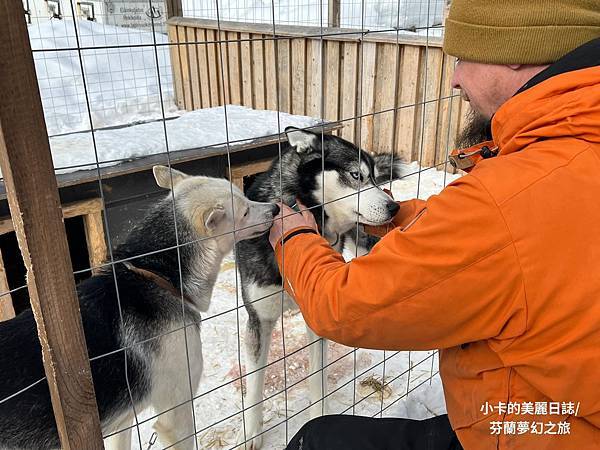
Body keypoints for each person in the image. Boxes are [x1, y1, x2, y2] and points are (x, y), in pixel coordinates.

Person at [268, 1, 600, 449]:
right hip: (566, 411)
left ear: (517, 47)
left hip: (539, 431)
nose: (454, 79)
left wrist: (295, 240)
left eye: (461, 57)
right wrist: (404, 219)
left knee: (317, 441)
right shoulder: (578, 148)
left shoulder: (508, 197)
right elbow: (521, 243)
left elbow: (344, 306)